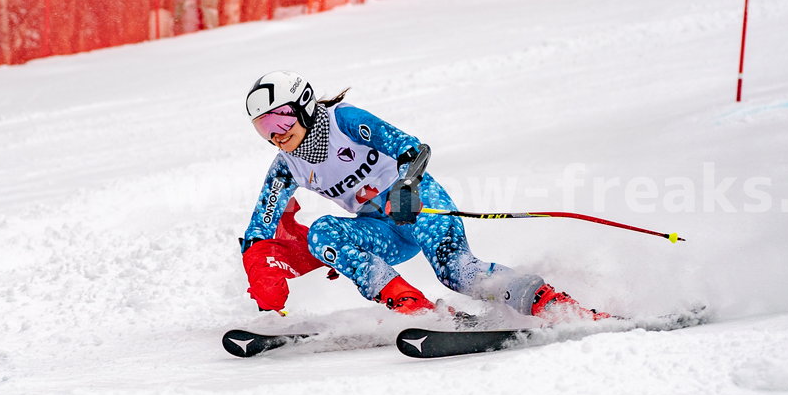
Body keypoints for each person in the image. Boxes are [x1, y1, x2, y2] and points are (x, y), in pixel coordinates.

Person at [240, 70, 607, 323]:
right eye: (264, 128)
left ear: (304, 105)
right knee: (323, 233)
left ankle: (555, 306)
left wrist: (405, 186)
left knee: (456, 273)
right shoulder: (286, 166)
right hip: (380, 230)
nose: (276, 135)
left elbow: (412, 149)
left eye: (281, 121)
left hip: (417, 204)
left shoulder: (343, 121)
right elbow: (260, 229)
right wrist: (262, 276)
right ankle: (412, 306)